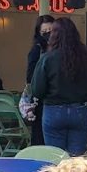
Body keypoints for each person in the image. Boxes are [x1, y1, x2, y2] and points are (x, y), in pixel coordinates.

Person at [31, 18, 87, 156]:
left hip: (53, 111)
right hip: (81, 110)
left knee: (56, 158)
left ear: (54, 35)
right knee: (76, 160)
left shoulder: (47, 59)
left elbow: (37, 91)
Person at [25, 15, 55, 145]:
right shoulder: (37, 50)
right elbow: (30, 77)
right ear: (39, 33)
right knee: (40, 136)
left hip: (55, 99)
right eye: (44, 32)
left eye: (51, 31)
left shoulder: (61, 49)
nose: (48, 35)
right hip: (41, 100)